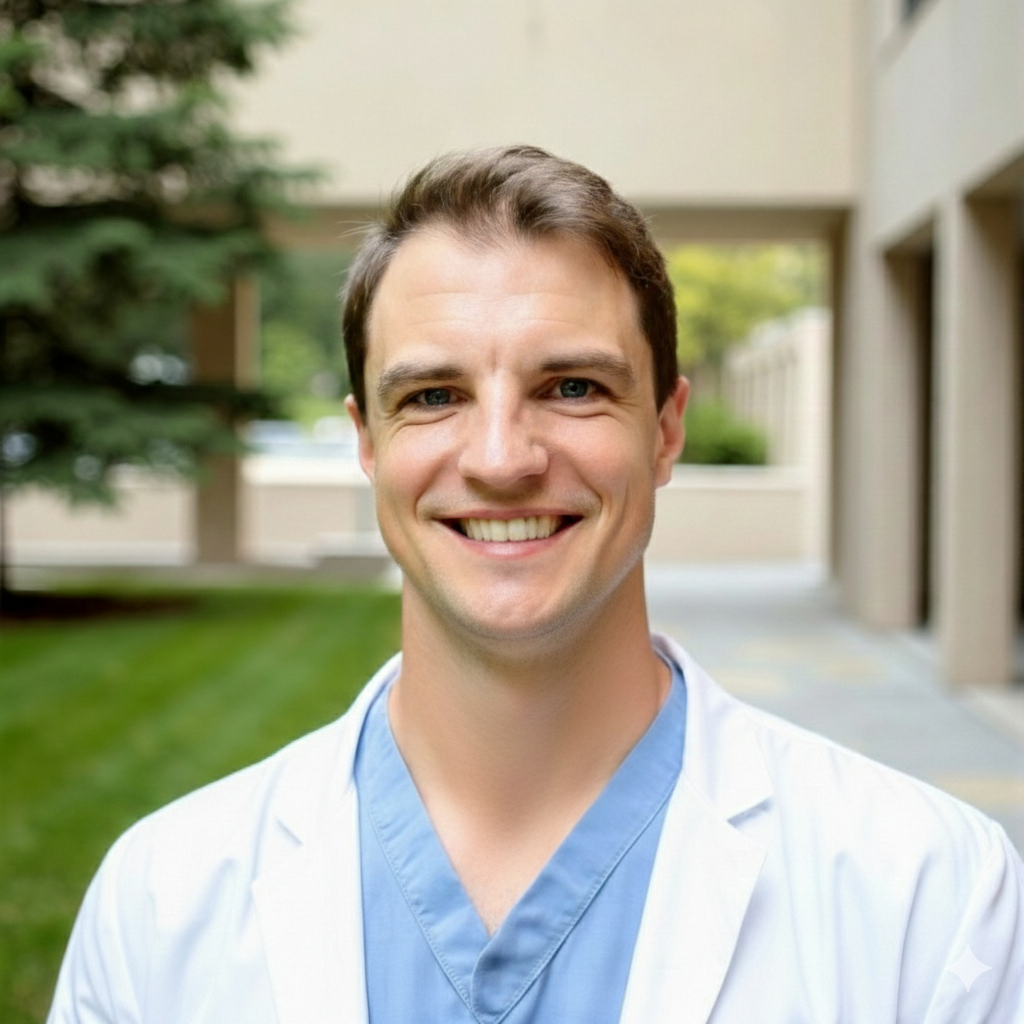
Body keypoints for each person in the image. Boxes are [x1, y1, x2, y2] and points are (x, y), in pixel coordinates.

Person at [49, 145, 1023, 1024]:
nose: (502, 457)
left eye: (572, 387)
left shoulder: (932, 899)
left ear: (666, 428)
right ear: (365, 439)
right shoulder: (160, 901)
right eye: (433, 396)